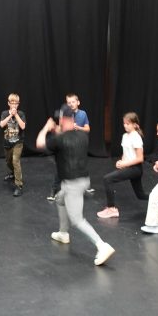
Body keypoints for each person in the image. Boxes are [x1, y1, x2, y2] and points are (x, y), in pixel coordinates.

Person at [37, 105, 115, 266]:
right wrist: (58, 131)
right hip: (83, 181)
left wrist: (46, 128)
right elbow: (67, 141)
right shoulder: (82, 136)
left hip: (72, 184)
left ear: (61, 120)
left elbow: (39, 144)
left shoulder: (59, 140)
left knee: (77, 220)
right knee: (60, 199)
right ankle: (63, 233)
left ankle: (102, 245)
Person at [97, 112, 149, 219]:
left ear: (135, 125)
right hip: (129, 167)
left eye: (128, 124)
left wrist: (125, 163)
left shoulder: (136, 137)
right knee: (141, 195)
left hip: (135, 169)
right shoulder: (125, 136)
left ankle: (111, 209)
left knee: (108, 179)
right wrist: (121, 161)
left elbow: (140, 158)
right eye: (124, 123)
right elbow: (126, 153)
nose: (125, 125)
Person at [47, 92, 92, 201]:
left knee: (80, 165)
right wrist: (56, 129)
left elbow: (87, 129)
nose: (71, 104)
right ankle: (54, 190)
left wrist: (78, 128)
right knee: (61, 168)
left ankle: (83, 188)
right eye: (69, 102)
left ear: (78, 102)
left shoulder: (83, 114)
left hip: (77, 145)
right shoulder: (64, 114)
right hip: (66, 145)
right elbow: (60, 129)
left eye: (73, 102)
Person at [0, 93, 27, 197]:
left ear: (18, 104)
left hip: (18, 142)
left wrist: (16, 115)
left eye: (16, 103)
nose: (14, 105)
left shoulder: (21, 114)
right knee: (8, 162)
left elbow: (23, 126)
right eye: (12, 103)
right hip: (7, 142)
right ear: (9, 103)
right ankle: (13, 173)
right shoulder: (4, 113)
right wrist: (11, 115)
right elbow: (2, 124)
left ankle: (19, 185)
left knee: (15, 161)